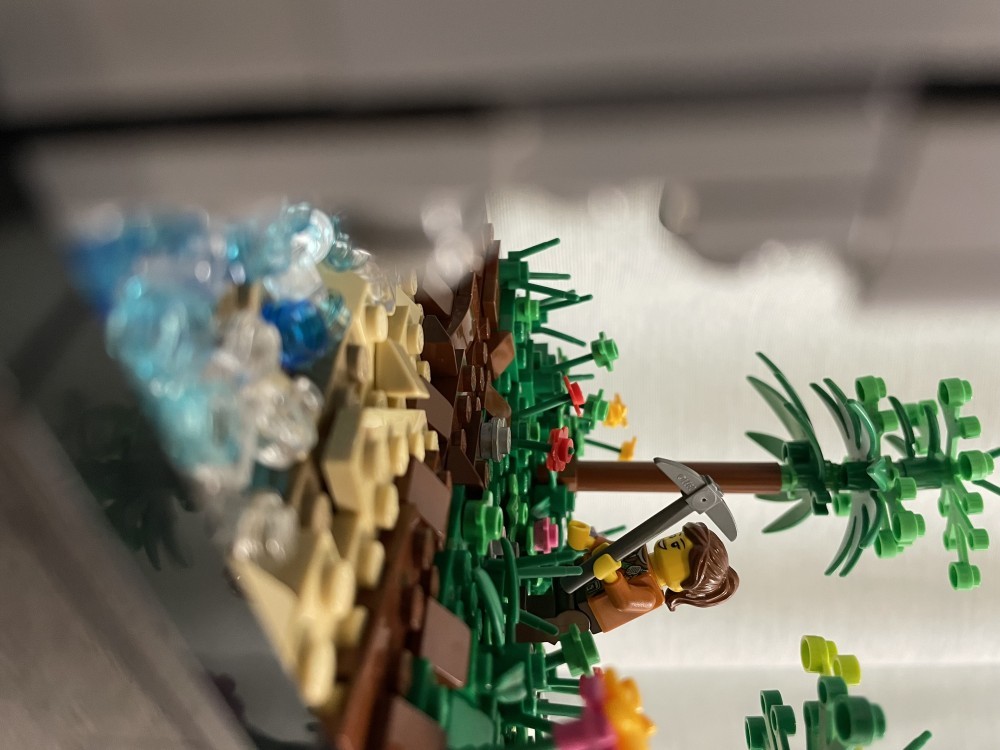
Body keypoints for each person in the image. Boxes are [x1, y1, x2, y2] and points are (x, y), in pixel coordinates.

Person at [520, 520, 739, 641]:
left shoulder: (652, 596)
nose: (669, 541)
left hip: (584, 610)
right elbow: (612, 549)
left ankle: (512, 627)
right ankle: (513, 584)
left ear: (680, 584)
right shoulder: (639, 550)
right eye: (676, 537)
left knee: (544, 617)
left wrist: (612, 576)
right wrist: (590, 541)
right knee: (534, 577)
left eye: (676, 546)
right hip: (576, 577)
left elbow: (625, 601)